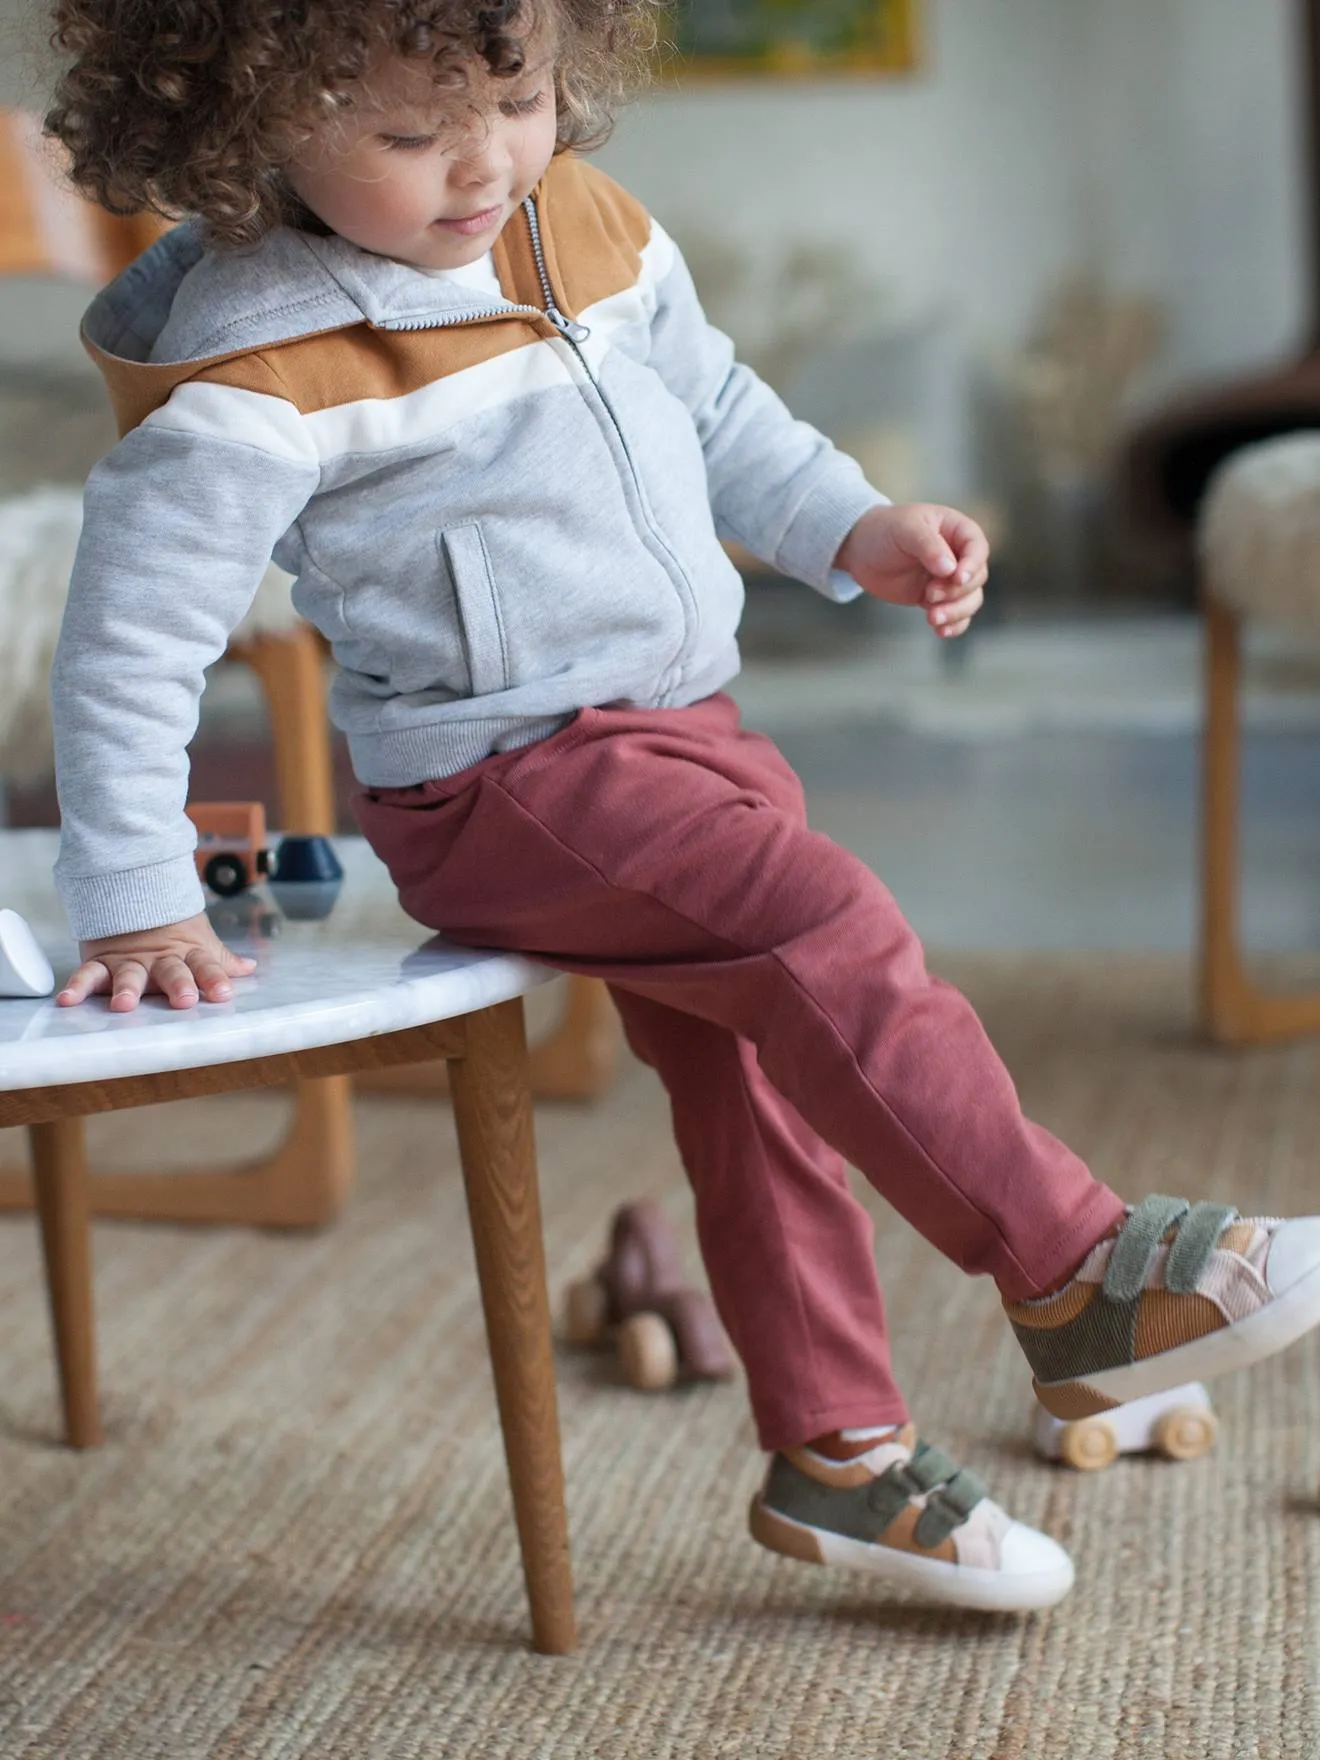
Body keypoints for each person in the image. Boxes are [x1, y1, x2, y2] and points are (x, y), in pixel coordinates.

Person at [42, 0, 1320, 1614]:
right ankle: (1079, 1272)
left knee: (764, 1066)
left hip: (683, 732)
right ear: (245, 119)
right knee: (827, 930)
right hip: (498, 780)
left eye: (513, 96)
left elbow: (716, 410)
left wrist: (853, 524)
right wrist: (139, 887)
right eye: (407, 135)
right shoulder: (259, 356)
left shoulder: (579, 215)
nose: (482, 164)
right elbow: (130, 639)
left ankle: (839, 1458)